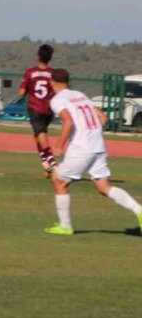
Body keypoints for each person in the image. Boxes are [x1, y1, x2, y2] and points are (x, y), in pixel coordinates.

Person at [44, 68, 142, 236]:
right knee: (104, 187)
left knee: (59, 182)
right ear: (68, 82)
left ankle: (65, 226)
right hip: (98, 146)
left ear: (52, 82)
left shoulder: (57, 100)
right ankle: (139, 210)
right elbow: (103, 118)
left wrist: (59, 146)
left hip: (81, 148)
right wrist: (93, 134)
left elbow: (68, 122)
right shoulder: (80, 95)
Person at [18, 44, 57, 177]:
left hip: (35, 108)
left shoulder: (30, 72)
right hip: (48, 109)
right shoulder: (53, 74)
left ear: (38, 56)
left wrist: (26, 86)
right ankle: (46, 165)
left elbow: (22, 92)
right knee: (39, 135)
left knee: (41, 136)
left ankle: (53, 165)